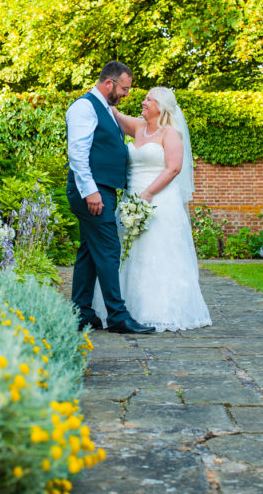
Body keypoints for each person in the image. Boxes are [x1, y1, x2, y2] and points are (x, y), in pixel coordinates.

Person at [94, 87, 211, 332]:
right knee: (127, 253)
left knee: (157, 255)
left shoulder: (170, 134)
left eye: (149, 99)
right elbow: (112, 111)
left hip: (158, 201)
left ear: (161, 106)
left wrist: (147, 194)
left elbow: (173, 169)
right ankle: (124, 310)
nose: (143, 102)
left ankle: (161, 311)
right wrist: (105, 88)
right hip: (130, 200)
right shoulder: (137, 126)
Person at [66, 61, 156, 334]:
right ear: (109, 83)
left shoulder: (105, 109)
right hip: (92, 191)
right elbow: (77, 153)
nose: (127, 94)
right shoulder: (84, 107)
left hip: (102, 190)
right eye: (125, 88)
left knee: (89, 252)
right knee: (108, 250)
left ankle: (81, 312)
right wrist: (91, 191)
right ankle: (117, 316)